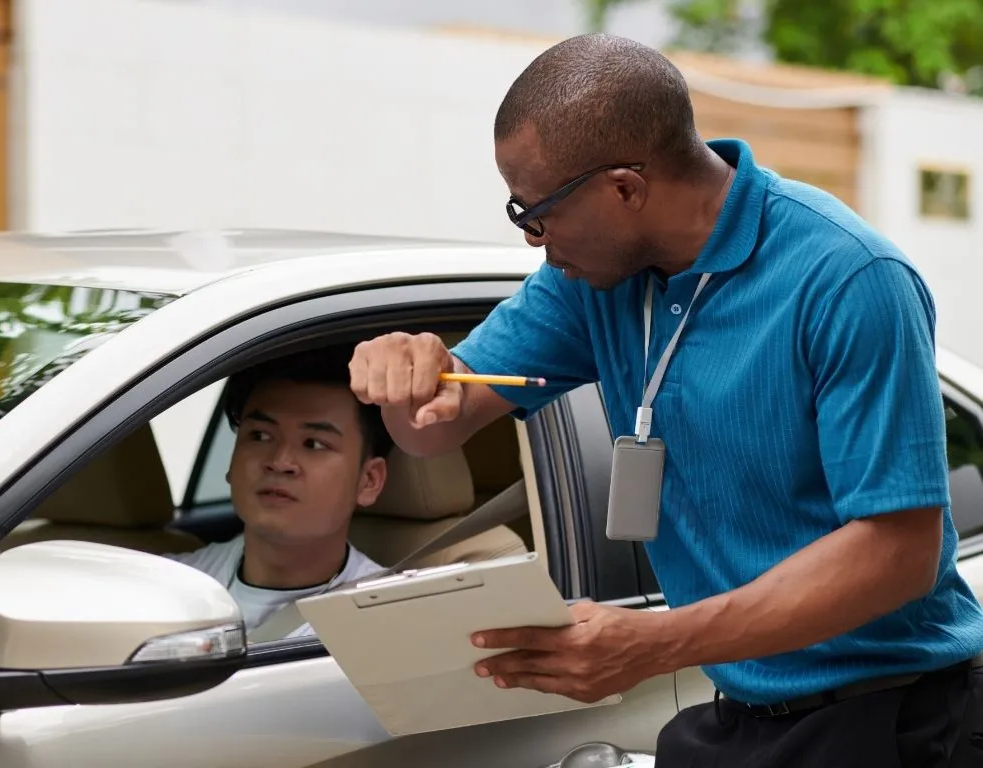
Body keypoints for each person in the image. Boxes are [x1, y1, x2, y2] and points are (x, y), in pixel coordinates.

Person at [348, 33, 983, 768]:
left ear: (625, 188)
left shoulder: (849, 277)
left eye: (534, 212)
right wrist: (402, 377)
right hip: (736, 716)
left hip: (892, 720)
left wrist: (655, 644)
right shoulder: (589, 283)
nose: (532, 240)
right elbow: (433, 428)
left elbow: (898, 552)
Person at [170, 345, 392, 639]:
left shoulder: (389, 621)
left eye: (314, 444)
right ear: (232, 461)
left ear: (369, 481)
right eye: (260, 436)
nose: (279, 461)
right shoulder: (170, 587)